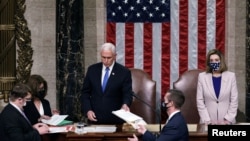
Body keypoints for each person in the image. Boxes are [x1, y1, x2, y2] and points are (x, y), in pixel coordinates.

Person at [81, 42, 133, 124]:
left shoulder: (124, 72)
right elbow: (85, 93)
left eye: (109, 58)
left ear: (115, 56)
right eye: (103, 57)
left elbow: (127, 93)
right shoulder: (92, 70)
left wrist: (125, 104)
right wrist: (88, 110)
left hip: (116, 120)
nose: (106, 60)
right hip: (95, 119)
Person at [196, 49, 238, 125]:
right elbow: (200, 100)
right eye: (211, 60)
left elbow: (234, 100)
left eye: (216, 60)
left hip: (227, 122)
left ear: (221, 61)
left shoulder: (231, 76)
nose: (214, 62)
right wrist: (207, 120)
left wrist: (228, 119)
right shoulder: (202, 77)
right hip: (207, 122)